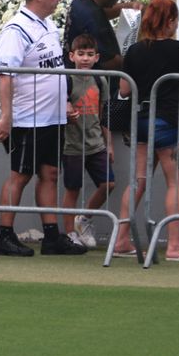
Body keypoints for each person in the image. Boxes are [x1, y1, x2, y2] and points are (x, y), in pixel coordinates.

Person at [0, 0, 86, 256]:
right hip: (28, 116)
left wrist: (64, 102)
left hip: (51, 116)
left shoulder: (47, 24)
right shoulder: (16, 30)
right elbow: (6, 74)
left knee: (50, 173)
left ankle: (51, 236)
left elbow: (54, 69)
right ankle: (5, 236)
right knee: (20, 174)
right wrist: (6, 116)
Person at [112, 0, 179, 261]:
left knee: (137, 182)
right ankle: (175, 245)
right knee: (176, 183)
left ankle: (120, 240)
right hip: (168, 123)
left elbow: (123, 89)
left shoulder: (134, 50)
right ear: (170, 21)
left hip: (141, 122)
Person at [61, 34, 115, 249]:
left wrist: (108, 143)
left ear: (96, 57)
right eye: (81, 54)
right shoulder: (67, 79)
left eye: (89, 54)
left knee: (108, 184)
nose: (85, 58)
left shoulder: (100, 80)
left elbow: (103, 115)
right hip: (72, 144)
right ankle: (69, 233)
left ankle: (83, 219)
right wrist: (65, 109)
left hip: (96, 144)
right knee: (72, 189)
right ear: (72, 56)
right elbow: (59, 104)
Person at [62, 0, 139, 71]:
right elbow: (109, 61)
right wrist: (138, 60)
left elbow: (104, 12)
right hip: (91, 83)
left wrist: (130, 6)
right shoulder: (93, 16)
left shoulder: (80, 1)